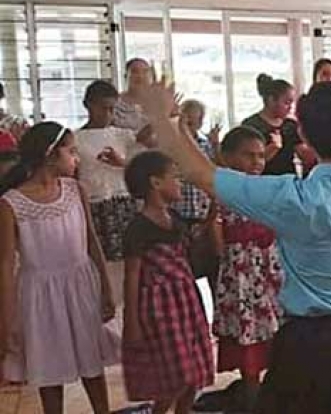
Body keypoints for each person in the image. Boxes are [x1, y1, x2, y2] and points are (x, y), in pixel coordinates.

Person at [133, 49, 331, 413]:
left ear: (303, 133)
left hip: (305, 342)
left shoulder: (290, 197)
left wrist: (161, 117)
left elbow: (201, 174)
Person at [0, 122, 118, 414]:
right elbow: (5, 264)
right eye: (72, 151)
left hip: (80, 288)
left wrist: (106, 289)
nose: (77, 158)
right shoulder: (11, 204)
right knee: (48, 369)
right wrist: (7, 318)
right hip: (39, 297)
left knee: (91, 361)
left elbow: (92, 241)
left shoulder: (76, 190)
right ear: (50, 155)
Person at [121, 151, 214, 414]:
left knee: (193, 374)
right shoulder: (138, 228)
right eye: (174, 177)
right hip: (160, 310)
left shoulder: (176, 219)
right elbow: (132, 276)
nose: (180, 183)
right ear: (156, 183)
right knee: (174, 378)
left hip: (186, 303)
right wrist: (132, 322)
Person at [207, 126, 283, 412]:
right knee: (248, 339)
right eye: (248, 155)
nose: (256, 162)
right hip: (241, 280)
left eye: (261, 156)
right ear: (227, 157)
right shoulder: (223, 195)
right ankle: (252, 401)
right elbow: (217, 240)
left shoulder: (268, 189)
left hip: (270, 275)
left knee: (277, 339)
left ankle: (272, 398)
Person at [76, 80, 145, 267]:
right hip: (93, 204)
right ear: (88, 105)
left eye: (112, 109)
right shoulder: (76, 138)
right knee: (99, 260)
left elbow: (145, 139)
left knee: (129, 257)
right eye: (103, 108)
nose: (108, 114)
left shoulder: (121, 134)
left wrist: (161, 114)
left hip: (123, 202)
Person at [241, 74, 312, 176]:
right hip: (262, 181)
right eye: (287, 103)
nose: (290, 107)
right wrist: (272, 148)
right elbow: (247, 165)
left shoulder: (290, 125)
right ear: (272, 100)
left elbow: (304, 155)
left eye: (292, 103)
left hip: (288, 181)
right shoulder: (251, 125)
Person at [169, 100, 219, 226]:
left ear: (200, 123)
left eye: (191, 123)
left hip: (201, 206)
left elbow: (214, 169)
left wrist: (215, 145)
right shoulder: (172, 143)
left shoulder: (205, 145)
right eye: (184, 121)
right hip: (179, 207)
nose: (186, 126)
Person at [114, 58, 157, 147]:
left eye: (145, 72)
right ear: (126, 76)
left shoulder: (160, 103)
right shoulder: (114, 103)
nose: (140, 76)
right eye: (135, 71)